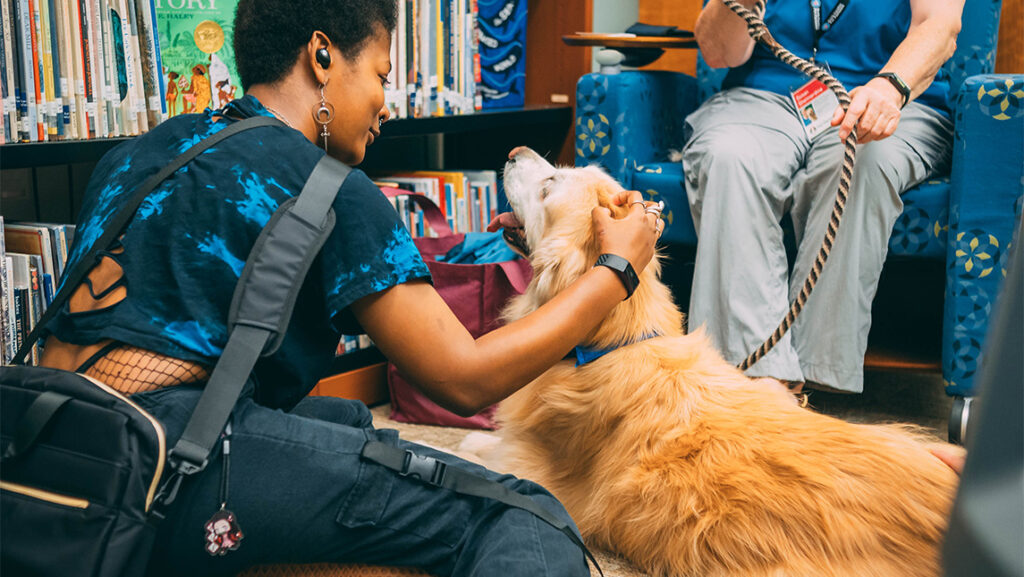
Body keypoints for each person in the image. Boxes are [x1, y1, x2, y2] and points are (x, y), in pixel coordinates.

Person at [37, 0, 661, 575]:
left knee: (352, 422)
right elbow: (465, 379)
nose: (387, 104)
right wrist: (615, 271)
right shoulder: (328, 183)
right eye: (383, 76)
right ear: (322, 56)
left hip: (53, 431)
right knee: (526, 512)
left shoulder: (145, 150)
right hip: (171, 467)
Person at [683, 0, 964, 394]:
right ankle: (754, 382)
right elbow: (718, 53)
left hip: (889, 95)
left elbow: (941, 24)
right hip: (766, 97)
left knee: (864, 159)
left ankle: (816, 370)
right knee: (729, 157)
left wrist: (891, 86)